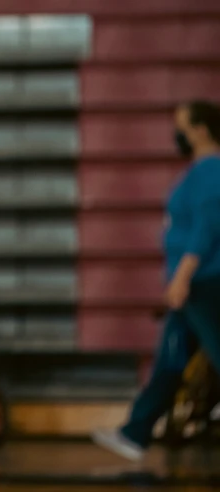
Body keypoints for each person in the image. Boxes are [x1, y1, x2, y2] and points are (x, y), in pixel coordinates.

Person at [93, 100, 220, 460]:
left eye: (181, 125)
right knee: (171, 361)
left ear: (201, 129)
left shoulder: (211, 171)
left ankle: (136, 432)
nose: (176, 133)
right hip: (194, 285)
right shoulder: (199, 171)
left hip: (205, 284)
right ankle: (136, 433)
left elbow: (208, 230)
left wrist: (181, 278)